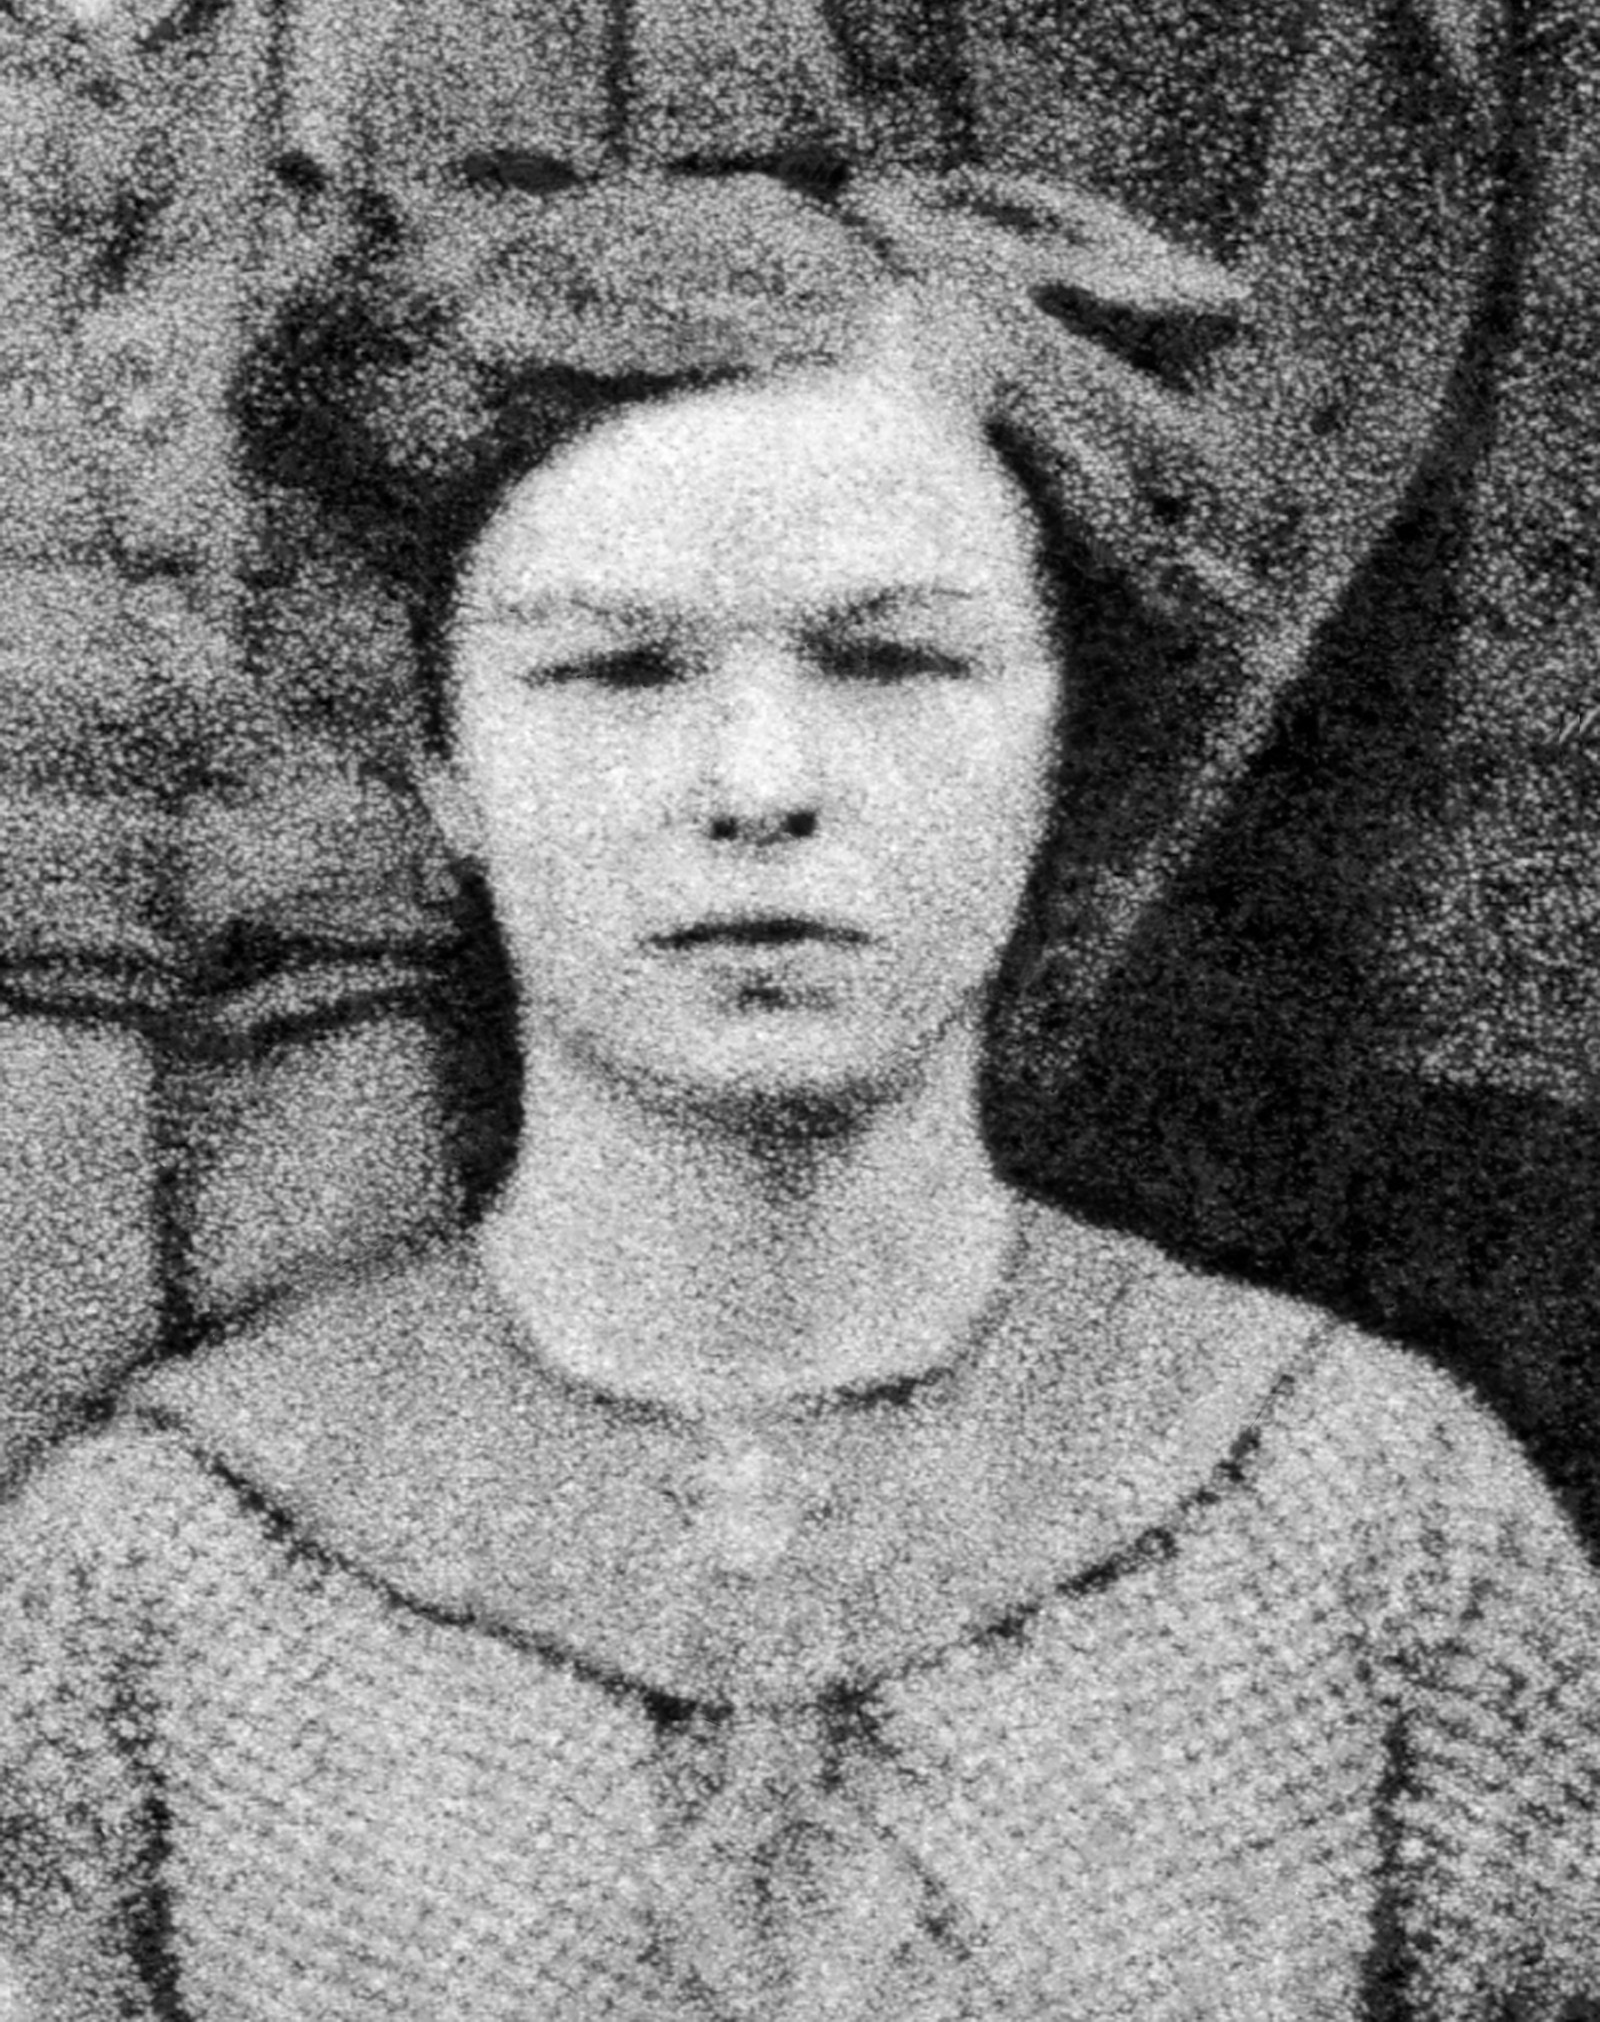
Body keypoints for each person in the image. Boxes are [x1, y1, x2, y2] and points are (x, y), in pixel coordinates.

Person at [2, 163, 1597, 2021]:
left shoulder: (1370, 1518)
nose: (759, 785)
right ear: (440, 754)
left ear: (1066, 728)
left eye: (891, 658)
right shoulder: (155, 1574)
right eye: (615, 670)